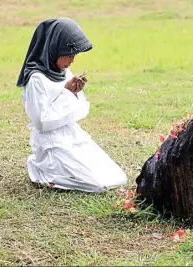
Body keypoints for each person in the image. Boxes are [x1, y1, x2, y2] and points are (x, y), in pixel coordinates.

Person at [16, 18, 127, 192]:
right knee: (97, 185)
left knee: (117, 178)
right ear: (53, 49)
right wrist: (67, 94)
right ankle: (41, 170)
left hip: (71, 135)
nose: (73, 60)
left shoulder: (64, 71)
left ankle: (56, 170)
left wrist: (76, 93)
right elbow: (41, 122)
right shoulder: (36, 79)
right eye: (69, 54)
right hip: (51, 143)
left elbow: (80, 111)